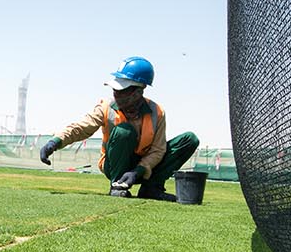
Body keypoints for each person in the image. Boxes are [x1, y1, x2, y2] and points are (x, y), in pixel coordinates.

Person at [39, 56, 199, 200]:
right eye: (114, 89)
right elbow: (81, 127)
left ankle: (152, 188)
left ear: (137, 92)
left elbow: (158, 150)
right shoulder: (106, 107)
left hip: (144, 167)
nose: (116, 94)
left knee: (189, 139)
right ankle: (117, 185)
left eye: (121, 91)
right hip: (113, 164)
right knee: (124, 132)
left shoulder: (157, 112)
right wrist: (55, 142)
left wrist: (139, 170)